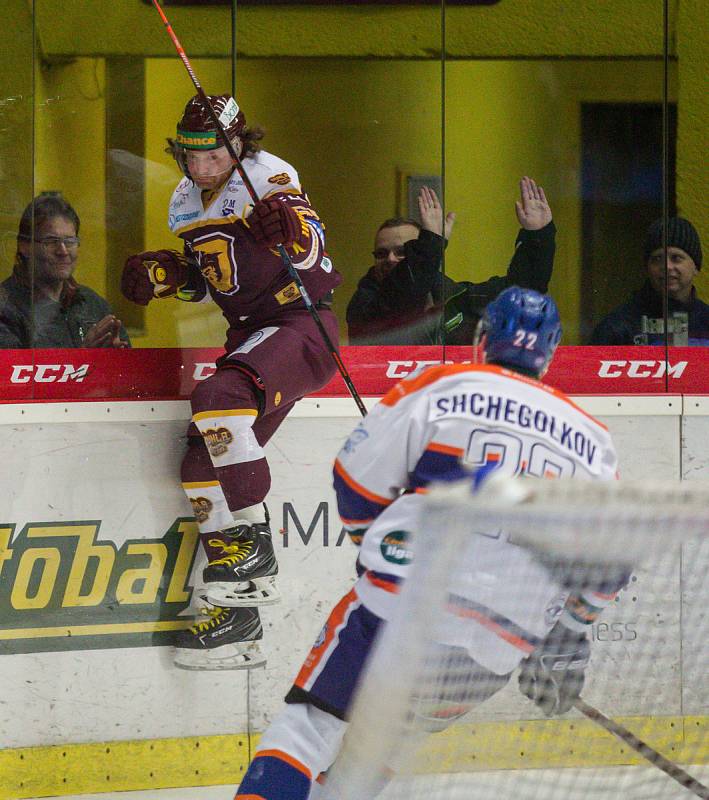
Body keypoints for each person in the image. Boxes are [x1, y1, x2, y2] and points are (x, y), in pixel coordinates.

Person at [235, 287, 623, 800]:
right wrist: (569, 635)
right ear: (550, 353)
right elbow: (610, 561)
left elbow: (355, 482)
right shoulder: (594, 440)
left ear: (482, 339)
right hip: (501, 639)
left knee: (310, 726)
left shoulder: (445, 384)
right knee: (384, 746)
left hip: (404, 600)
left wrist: (378, 549)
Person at [121, 94, 342, 670]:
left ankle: (255, 550)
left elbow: (314, 252)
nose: (202, 168)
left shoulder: (272, 177)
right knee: (198, 464)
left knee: (216, 397)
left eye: (214, 154)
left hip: (302, 323)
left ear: (241, 144)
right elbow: (211, 278)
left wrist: (289, 232)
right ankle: (241, 614)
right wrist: (168, 275)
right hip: (250, 334)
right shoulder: (183, 200)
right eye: (191, 156)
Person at [346, 177, 555, 345]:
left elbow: (522, 292)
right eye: (381, 254)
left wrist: (537, 236)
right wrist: (430, 245)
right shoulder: (364, 306)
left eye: (402, 252)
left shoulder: (455, 298)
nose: (390, 259)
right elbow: (403, 298)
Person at [0, 192, 129, 348]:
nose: (63, 251)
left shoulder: (92, 304)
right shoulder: (5, 307)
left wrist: (117, 359)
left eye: (69, 241)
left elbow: (128, 369)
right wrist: (85, 357)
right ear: (24, 246)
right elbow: (10, 371)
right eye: (51, 241)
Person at [590, 216, 709, 345]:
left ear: (696, 266)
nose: (667, 266)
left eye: (676, 258)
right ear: (647, 268)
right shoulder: (617, 327)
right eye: (657, 259)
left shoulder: (705, 321)